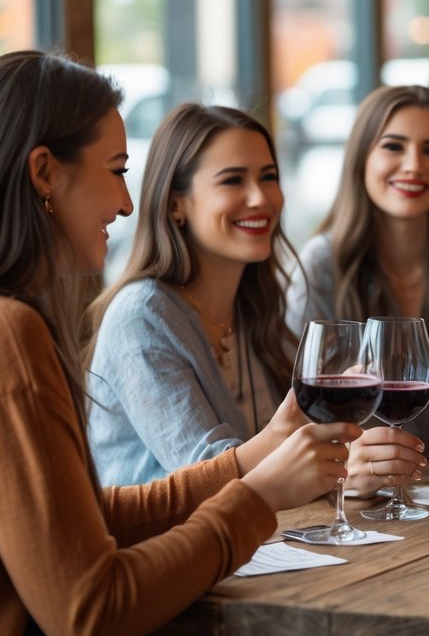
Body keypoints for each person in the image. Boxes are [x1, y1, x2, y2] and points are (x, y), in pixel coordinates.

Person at [0, 51, 358, 636]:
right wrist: (255, 496)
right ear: (43, 174)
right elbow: (90, 615)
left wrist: (251, 462)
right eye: (115, 171)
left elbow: (85, 520)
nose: (125, 202)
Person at [287, 84, 429, 474]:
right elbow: (292, 418)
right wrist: (340, 470)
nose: (414, 165)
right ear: (361, 159)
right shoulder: (323, 263)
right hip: (359, 506)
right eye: (393, 146)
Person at [87, 104, 297, 486]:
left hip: (261, 538)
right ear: (175, 205)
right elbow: (205, 473)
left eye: (269, 177)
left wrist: (347, 468)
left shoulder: (254, 306)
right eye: (233, 180)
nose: (260, 198)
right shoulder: (141, 317)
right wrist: (306, 436)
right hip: (161, 544)